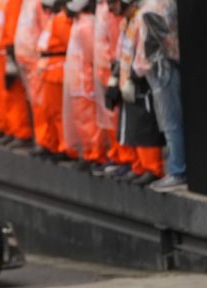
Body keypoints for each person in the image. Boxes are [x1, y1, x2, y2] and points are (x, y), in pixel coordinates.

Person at [107, 0, 164, 185]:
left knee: (144, 124)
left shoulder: (141, 19)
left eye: (114, 3)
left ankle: (153, 167)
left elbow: (146, 54)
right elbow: (120, 53)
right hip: (127, 81)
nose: (111, 8)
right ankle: (138, 165)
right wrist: (114, 79)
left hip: (141, 82)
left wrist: (134, 77)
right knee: (131, 125)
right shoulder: (127, 22)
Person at [134, 0, 185, 192]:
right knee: (170, 123)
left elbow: (166, 44)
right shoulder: (162, 6)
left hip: (163, 70)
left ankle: (177, 170)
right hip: (162, 69)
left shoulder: (154, 9)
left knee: (171, 123)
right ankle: (177, 168)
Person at [92, 0, 136, 178]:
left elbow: (119, 41)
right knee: (110, 118)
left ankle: (128, 158)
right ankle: (117, 155)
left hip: (114, 69)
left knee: (119, 118)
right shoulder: (102, 6)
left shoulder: (113, 10)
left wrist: (115, 71)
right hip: (103, 69)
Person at [0, 0, 34, 147]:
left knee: (13, 93)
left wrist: (11, 51)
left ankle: (21, 131)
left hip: (4, 52)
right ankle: (5, 127)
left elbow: (13, 23)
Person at [64, 0, 106, 170]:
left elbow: (91, 55)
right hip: (77, 81)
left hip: (85, 81)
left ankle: (96, 154)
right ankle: (89, 153)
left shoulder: (86, 25)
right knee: (82, 121)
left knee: (90, 121)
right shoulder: (79, 23)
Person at [32, 0, 75, 161]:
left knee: (58, 112)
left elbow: (68, 43)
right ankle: (54, 144)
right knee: (50, 111)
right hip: (49, 69)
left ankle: (65, 148)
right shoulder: (56, 17)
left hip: (56, 69)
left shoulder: (62, 19)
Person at [14, 0, 48, 151]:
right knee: (34, 102)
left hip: (36, 61)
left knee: (40, 102)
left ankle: (44, 141)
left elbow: (46, 28)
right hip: (25, 60)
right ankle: (40, 139)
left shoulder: (39, 3)